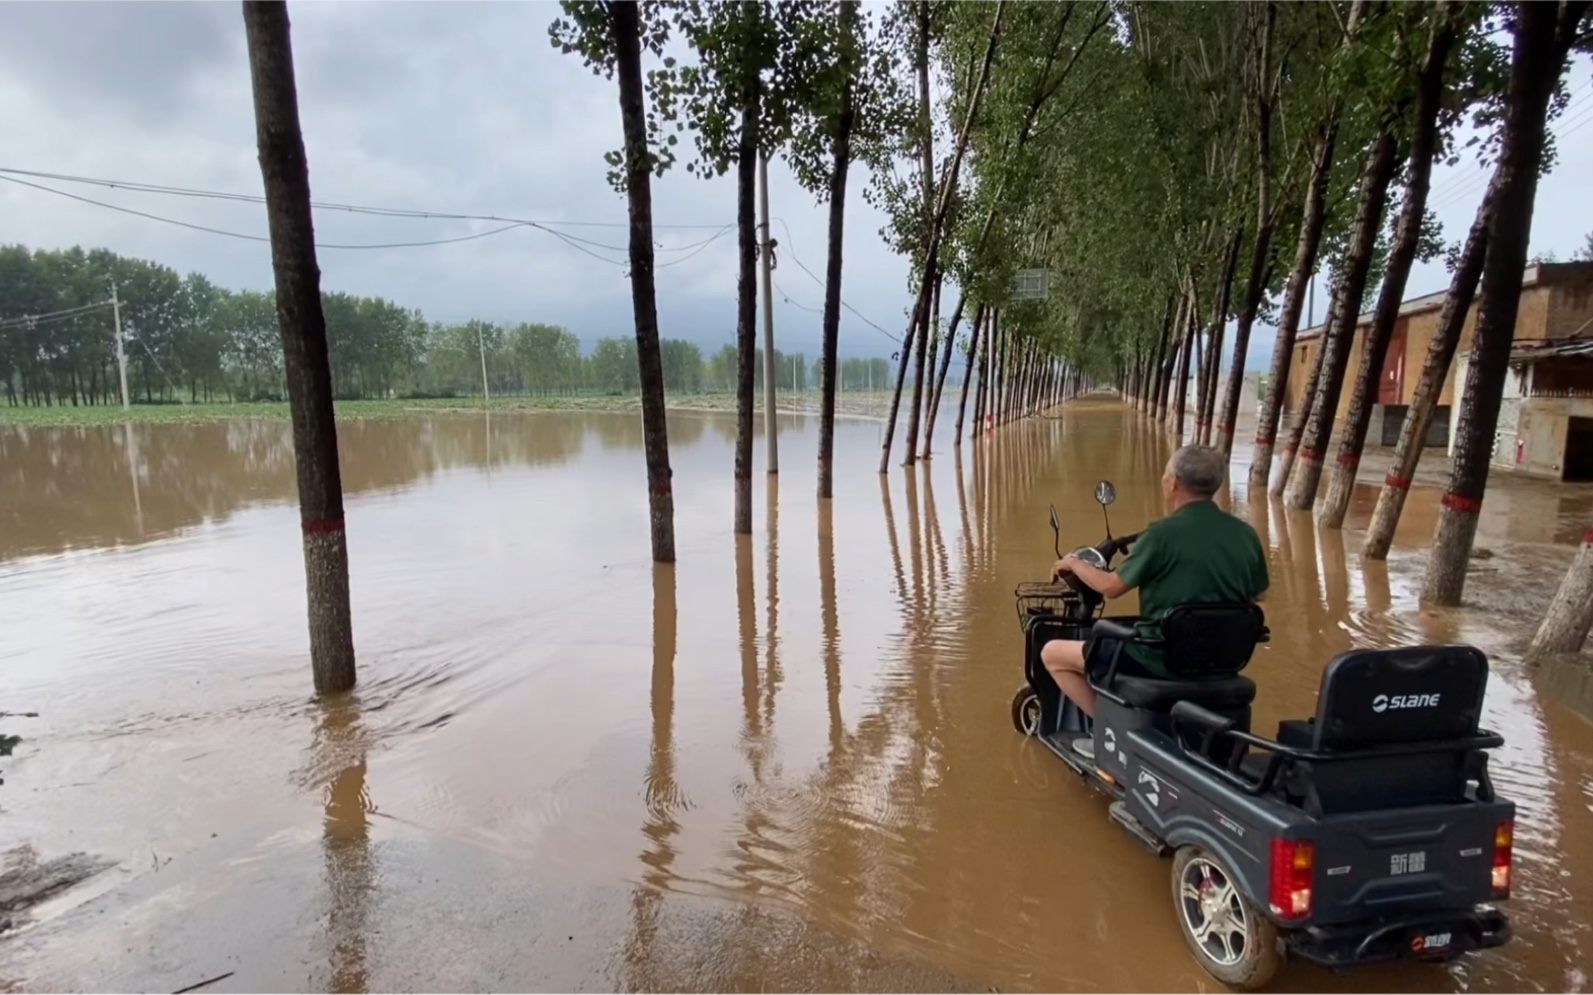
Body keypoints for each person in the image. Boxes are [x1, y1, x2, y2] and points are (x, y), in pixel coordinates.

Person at [1041, 444, 1268, 758]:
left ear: (1173, 482)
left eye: (1165, 474)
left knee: (1053, 653)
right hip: (1224, 661)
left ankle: (1111, 733)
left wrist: (1073, 563)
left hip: (1159, 661)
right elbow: (1259, 594)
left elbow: (1110, 587)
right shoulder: (1245, 534)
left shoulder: (1160, 535)